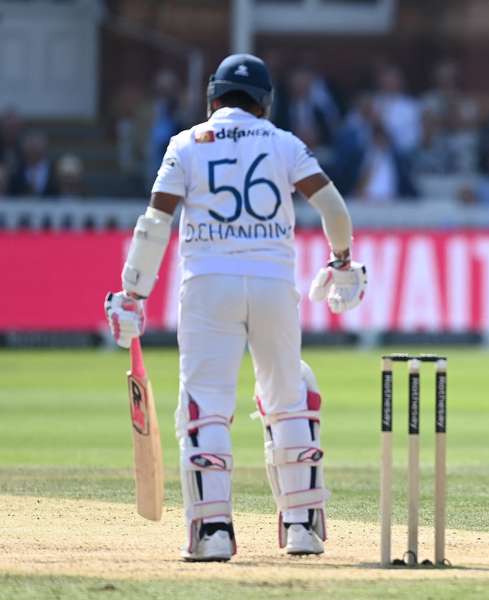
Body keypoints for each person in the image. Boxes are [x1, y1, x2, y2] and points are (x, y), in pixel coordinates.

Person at [103, 54, 367, 561]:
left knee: (205, 404)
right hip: (272, 285)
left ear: (212, 99)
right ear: (265, 102)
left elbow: (156, 222)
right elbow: (333, 206)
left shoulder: (186, 144)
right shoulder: (285, 143)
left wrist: (133, 292)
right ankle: (302, 527)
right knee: (290, 397)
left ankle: (213, 533)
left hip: (207, 285)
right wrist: (342, 262)